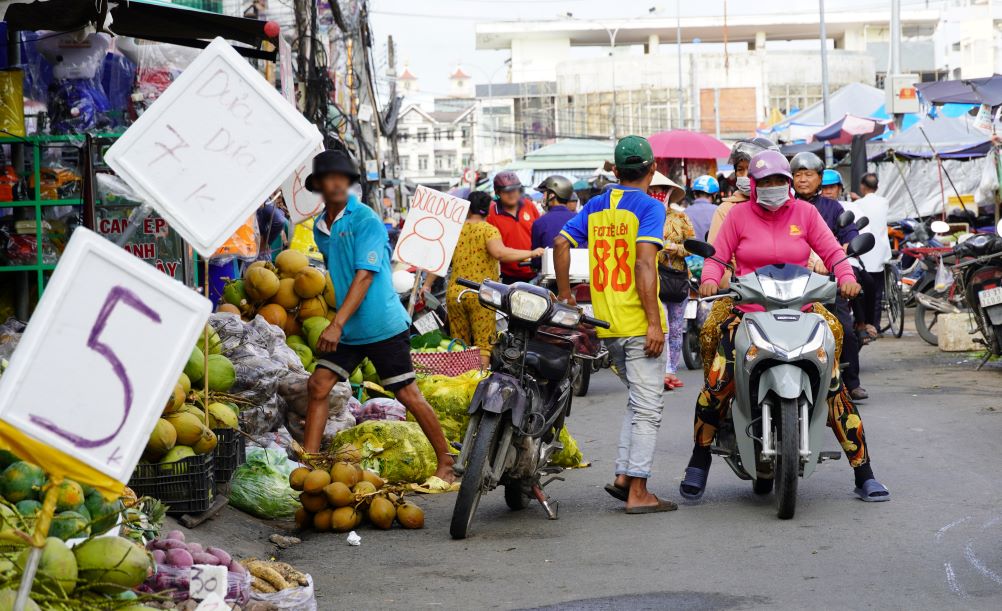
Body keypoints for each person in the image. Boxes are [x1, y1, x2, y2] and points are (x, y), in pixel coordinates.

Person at [679, 150, 889, 503]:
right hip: (748, 311)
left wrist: (847, 276)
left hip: (802, 308)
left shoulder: (806, 213)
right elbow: (716, 256)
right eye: (766, 182)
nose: (773, 187)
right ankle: (698, 461)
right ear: (754, 186)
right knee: (717, 382)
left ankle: (863, 471)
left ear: (789, 184)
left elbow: (833, 252)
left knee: (834, 383)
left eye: (779, 181)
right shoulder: (738, 216)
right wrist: (711, 279)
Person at [303, 149, 455, 482]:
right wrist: (339, 320)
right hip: (349, 328)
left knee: (407, 394)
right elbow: (340, 276)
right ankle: (308, 466)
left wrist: (335, 323)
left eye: (341, 177)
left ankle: (446, 461)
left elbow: (364, 275)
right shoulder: (319, 228)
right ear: (319, 185)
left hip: (381, 324)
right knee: (318, 385)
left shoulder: (366, 220)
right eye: (329, 178)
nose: (336, 183)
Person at [554, 135, 674, 514]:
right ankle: (639, 492)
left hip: (605, 325)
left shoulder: (595, 204)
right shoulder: (650, 207)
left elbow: (559, 243)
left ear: (615, 170)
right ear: (653, 169)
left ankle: (624, 476)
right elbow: (643, 265)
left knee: (638, 404)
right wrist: (654, 324)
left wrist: (565, 297)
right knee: (648, 409)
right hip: (638, 324)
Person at [423, 191, 543, 368]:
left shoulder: (455, 230)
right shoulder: (488, 230)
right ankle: (480, 386)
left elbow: (440, 260)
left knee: (459, 344)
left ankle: (461, 386)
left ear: (469, 208)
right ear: (488, 209)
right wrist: (531, 253)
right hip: (482, 295)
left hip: (456, 294)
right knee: (483, 346)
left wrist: (426, 285)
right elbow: (499, 253)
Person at [790, 152, 867, 402]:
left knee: (844, 327)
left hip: (827, 282)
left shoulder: (833, 207)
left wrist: (829, 259)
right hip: (791, 282)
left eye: (808, 174)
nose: (802, 180)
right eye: (798, 175)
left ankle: (852, 382)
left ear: (819, 178)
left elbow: (850, 239)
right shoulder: (784, 208)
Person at [844, 173, 893, 335]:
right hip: (880, 254)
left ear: (862, 186)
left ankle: (863, 323)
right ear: (877, 187)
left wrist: (857, 198)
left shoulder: (857, 204)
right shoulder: (884, 202)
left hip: (863, 254)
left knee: (860, 292)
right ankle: (874, 325)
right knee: (877, 293)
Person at [708, 138, 781, 244]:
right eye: (740, 169)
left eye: (752, 168)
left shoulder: (785, 206)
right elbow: (715, 255)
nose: (745, 175)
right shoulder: (726, 210)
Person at [658, 184, 695, 392]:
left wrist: (674, 248)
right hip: (653, 279)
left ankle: (671, 369)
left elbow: (692, 246)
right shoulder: (642, 216)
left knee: (676, 327)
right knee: (662, 325)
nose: (657, 194)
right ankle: (662, 370)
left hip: (679, 279)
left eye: (661, 190)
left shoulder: (681, 218)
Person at [488, 171, 541, 284]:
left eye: (514, 190)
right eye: (506, 191)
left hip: (535, 272)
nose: (512, 194)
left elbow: (539, 231)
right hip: (509, 277)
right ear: (498, 192)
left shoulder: (529, 205)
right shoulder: (492, 214)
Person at [531, 175, 577, 250]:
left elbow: (537, 257)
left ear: (552, 196)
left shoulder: (540, 222)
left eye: (544, 193)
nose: (543, 197)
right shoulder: (580, 219)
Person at [686, 175, 719, 242]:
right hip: (712, 251)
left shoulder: (684, 212)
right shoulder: (719, 211)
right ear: (714, 194)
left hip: (689, 251)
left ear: (695, 194)